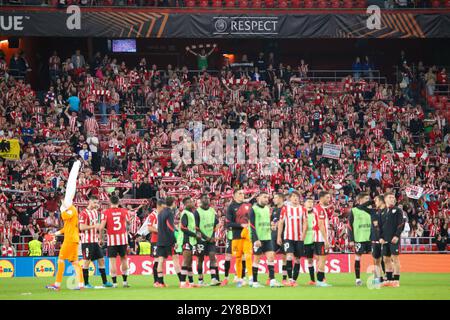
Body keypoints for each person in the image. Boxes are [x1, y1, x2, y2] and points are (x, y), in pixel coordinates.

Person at [46, 160, 84, 291]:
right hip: (73, 239)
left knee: (61, 260)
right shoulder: (71, 210)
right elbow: (65, 228)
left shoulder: (71, 210)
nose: (62, 203)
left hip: (70, 240)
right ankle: (80, 284)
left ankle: (57, 285)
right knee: (75, 262)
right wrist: (55, 233)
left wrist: (62, 210)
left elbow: (64, 216)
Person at [79, 195, 112, 288]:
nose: (96, 204)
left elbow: (97, 226)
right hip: (87, 241)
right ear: (89, 202)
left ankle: (105, 282)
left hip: (95, 241)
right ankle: (85, 283)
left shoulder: (95, 212)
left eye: (97, 203)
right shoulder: (83, 213)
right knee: (86, 262)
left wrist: (101, 234)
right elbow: (81, 227)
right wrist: (94, 226)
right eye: (94, 202)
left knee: (101, 260)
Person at [250, 192, 282, 288]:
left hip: (267, 237)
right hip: (258, 239)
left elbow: (266, 222)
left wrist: (271, 226)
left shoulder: (268, 209)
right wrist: (256, 239)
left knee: (271, 257)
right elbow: (251, 225)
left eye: (267, 197)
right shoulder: (253, 209)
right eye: (264, 197)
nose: (266, 199)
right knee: (256, 259)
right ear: (258, 198)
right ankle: (255, 282)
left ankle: (272, 280)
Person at [100, 195, 131, 288]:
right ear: (119, 202)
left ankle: (114, 283)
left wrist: (101, 238)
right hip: (122, 239)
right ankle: (125, 282)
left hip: (112, 240)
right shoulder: (124, 211)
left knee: (112, 261)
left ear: (110, 202)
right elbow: (129, 222)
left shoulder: (105, 212)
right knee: (124, 259)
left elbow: (101, 227)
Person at [226, 189, 253, 287]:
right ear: (234, 196)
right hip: (236, 236)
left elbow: (253, 220)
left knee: (248, 256)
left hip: (247, 236)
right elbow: (228, 223)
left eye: (243, 193)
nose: (242, 195)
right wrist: (241, 225)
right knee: (238, 258)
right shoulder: (231, 207)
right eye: (240, 193)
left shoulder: (249, 206)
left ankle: (250, 278)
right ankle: (240, 278)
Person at [277, 191, 304, 287]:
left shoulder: (302, 209)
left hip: (299, 238)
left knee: (297, 259)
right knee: (288, 256)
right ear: (290, 198)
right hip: (288, 237)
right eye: (293, 197)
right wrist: (279, 236)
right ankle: (290, 279)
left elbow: (305, 223)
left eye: (297, 196)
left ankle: (294, 280)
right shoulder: (285, 209)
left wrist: (304, 235)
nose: (295, 198)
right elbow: (280, 222)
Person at [194, 193, 220, 286]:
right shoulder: (197, 212)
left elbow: (215, 224)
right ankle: (200, 279)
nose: (207, 199)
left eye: (208, 198)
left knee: (212, 256)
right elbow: (196, 228)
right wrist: (206, 237)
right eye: (205, 198)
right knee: (200, 259)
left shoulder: (212, 211)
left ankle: (213, 278)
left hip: (210, 239)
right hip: (201, 239)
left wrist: (213, 236)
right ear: (200, 200)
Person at [380, 192, 404, 288]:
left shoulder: (397, 210)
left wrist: (397, 235)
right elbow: (381, 226)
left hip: (394, 239)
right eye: (390, 197)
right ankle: (389, 280)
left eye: (393, 197)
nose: (392, 199)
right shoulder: (383, 211)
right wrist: (381, 237)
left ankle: (396, 280)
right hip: (385, 239)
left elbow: (401, 224)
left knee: (395, 259)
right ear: (385, 199)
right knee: (386, 259)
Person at [348, 192, 373, 286]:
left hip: (371, 238)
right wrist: (351, 239)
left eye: (368, 198)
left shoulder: (371, 210)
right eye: (366, 199)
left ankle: (377, 277)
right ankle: (358, 279)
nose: (368, 200)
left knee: (376, 258)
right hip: (359, 238)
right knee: (358, 258)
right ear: (360, 200)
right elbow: (349, 226)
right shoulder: (354, 210)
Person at [178, 196, 202, 288]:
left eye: (191, 202)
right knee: (186, 260)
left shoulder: (190, 213)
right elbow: (183, 228)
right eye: (189, 202)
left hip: (191, 240)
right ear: (185, 204)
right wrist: (194, 234)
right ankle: (183, 283)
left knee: (190, 261)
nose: (191, 203)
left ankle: (191, 283)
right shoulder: (185, 213)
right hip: (186, 239)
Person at [155, 196, 179, 288]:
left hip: (160, 240)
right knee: (175, 259)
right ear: (173, 203)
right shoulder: (169, 213)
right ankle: (182, 281)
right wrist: (174, 240)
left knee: (160, 261)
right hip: (169, 240)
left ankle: (160, 282)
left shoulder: (160, 213)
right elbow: (170, 227)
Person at [313, 191, 332, 287]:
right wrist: (326, 240)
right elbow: (320, 225)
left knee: (320, 259)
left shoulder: (317, 208)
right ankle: (320, 281)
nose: (329, 199)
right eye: (327, 197)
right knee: (322, 259)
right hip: (320, 238)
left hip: (317, 237)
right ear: (321, 198)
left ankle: (320, 280)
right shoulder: (320, 209)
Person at [271, 193, 288, 285]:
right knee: (271, 255)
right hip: (274, 235)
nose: (274, 199)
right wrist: (272, 225)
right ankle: (271, 277)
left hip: (284, 235)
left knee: (284, 257)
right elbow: (272, 221)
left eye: (275, 197)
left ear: (281, 199)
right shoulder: (274, 209)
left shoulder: (286, 209)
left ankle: (284, 278)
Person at [301, 197, 317, 285]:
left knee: (319, 258)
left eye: (312, 202)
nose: (310, 204)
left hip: (316, 239)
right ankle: (312, 280)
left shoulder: (316, 214)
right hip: (306, 240)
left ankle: (322, 279)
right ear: (304, 204)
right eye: (308, 202)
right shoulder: (301, 215)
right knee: (309, 260)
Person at [372, 195, 386, 284]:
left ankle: (388, 276)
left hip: (384, 239)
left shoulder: (387, 212)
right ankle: (379, 278)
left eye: (376, 201)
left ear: (381, 201)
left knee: (386, 259)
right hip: (376, 239)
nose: (375, 203)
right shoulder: (376, 212)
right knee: (376, 260)